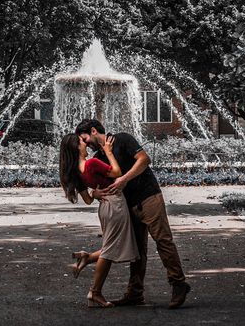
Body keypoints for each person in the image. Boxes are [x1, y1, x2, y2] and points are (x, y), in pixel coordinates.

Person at [75, 119, 190, 309]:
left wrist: (123, 179)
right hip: (128, 205)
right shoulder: (100, 158)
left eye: (85, 138)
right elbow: (97, 184)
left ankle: (178, 283)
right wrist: (94, 193)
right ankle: (135, 293)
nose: (85, 143)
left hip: (148, 195)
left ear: (94, 131)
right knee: (138, 250)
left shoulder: (122, 139)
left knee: (163, 240)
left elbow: (144, 159)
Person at [59, 133, 139, 308]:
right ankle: (95, 292)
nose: (85, 143)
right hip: (115, 204)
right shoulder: (92, 163)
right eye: (82, 142)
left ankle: (87, 257)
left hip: (104, 207)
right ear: (76, 147)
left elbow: (88, 199)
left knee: (111, 246)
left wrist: (94, 193)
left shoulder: (76, 171)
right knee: (109, 251)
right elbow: (117, 172)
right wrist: (108, 151)